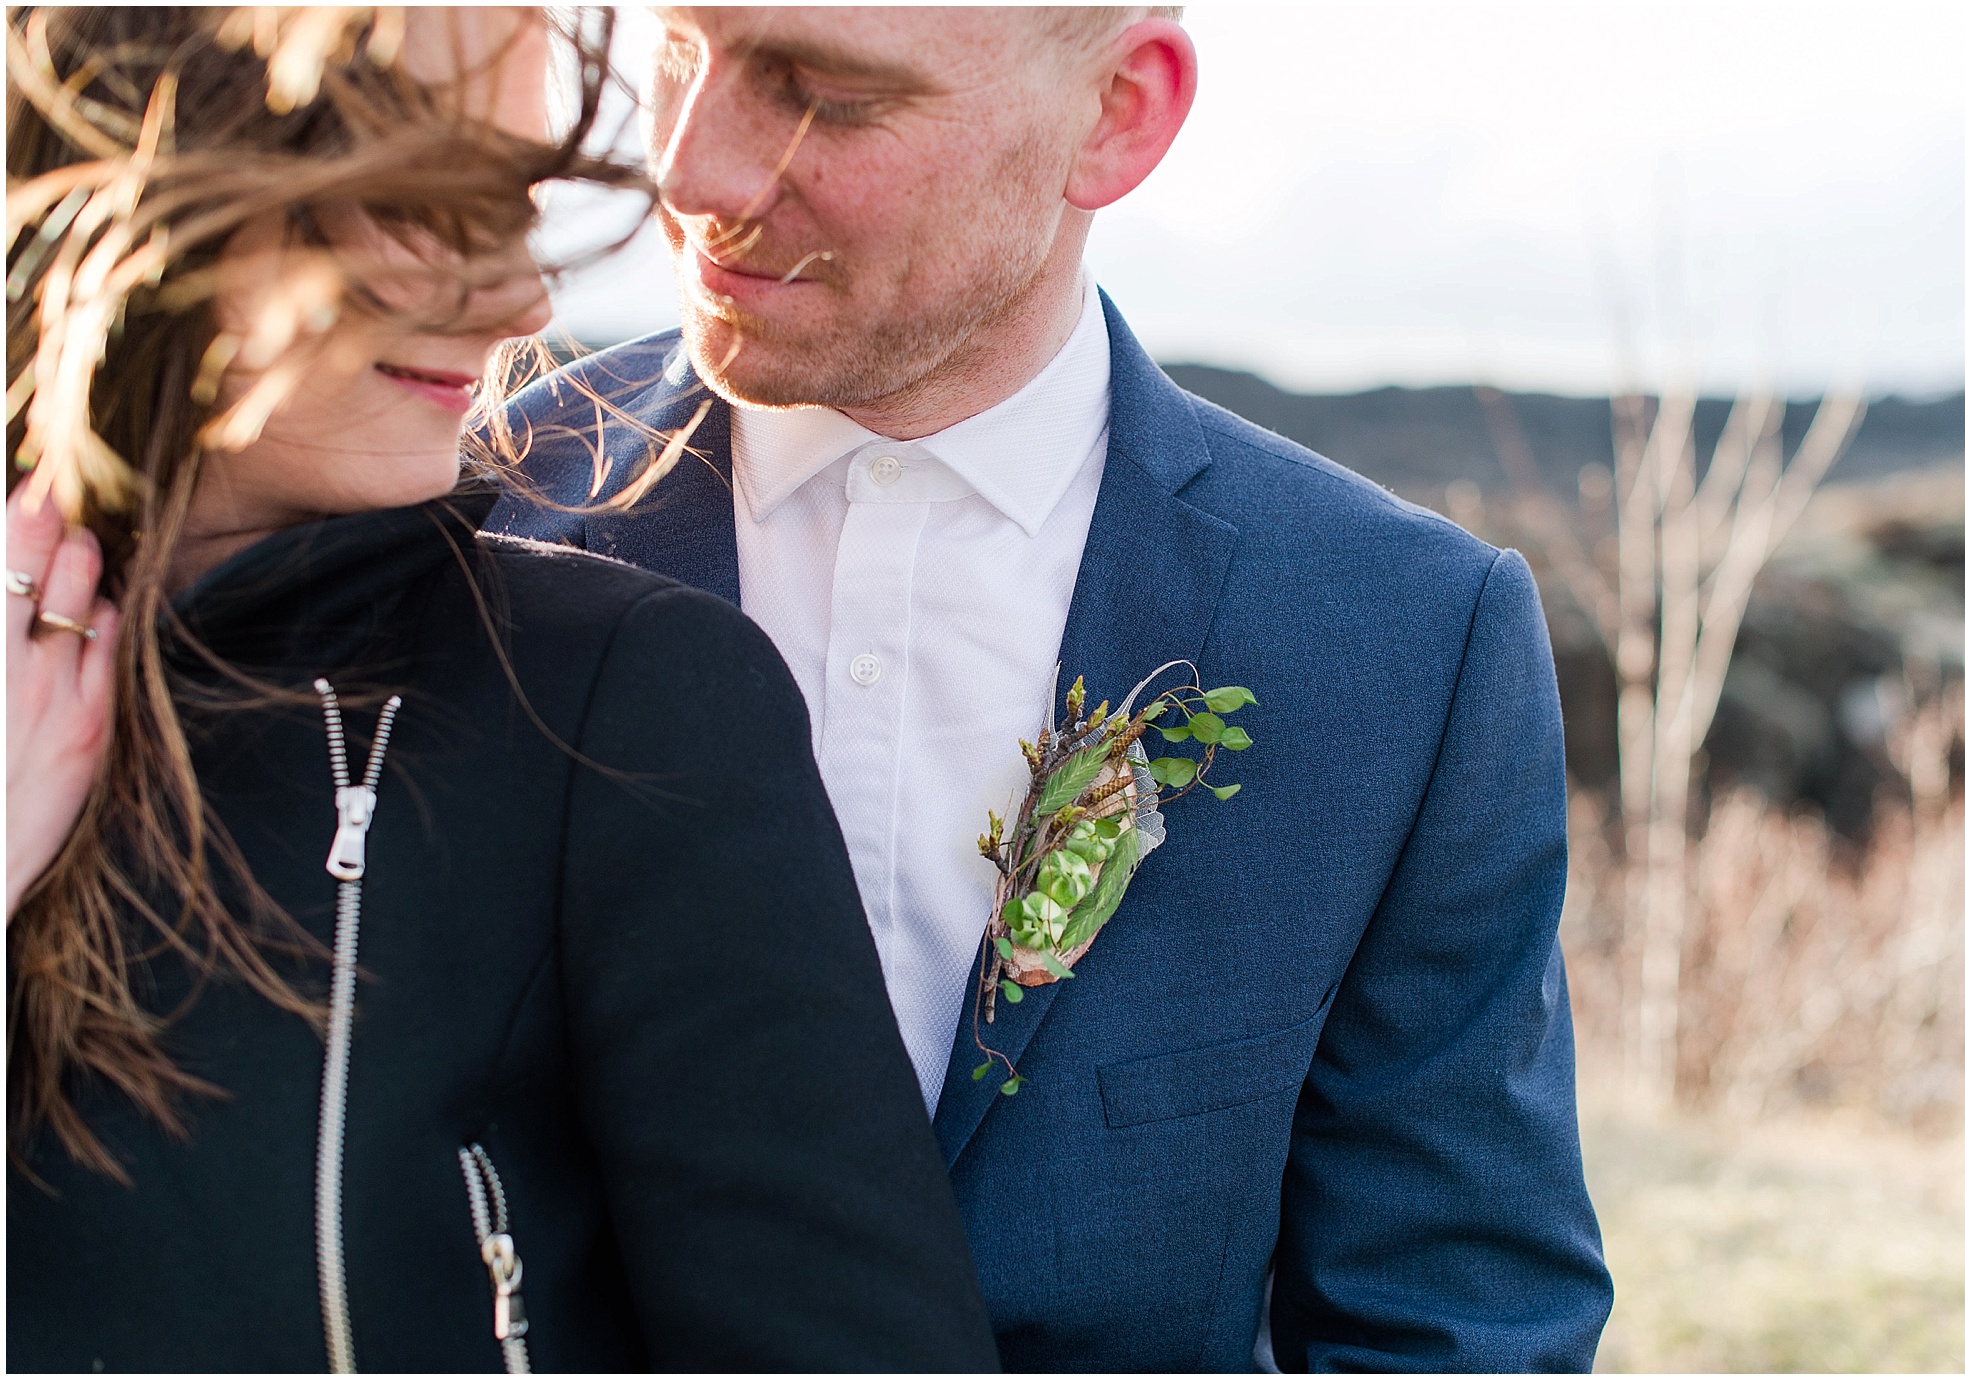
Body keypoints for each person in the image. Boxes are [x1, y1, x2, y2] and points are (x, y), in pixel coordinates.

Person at [491, 6, 1614, 1372]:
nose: (692, 171)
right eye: (675, 51)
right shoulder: (453, 525)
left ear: (1118, 112)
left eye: (822, 95)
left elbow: (1454, 1318)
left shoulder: (1403, 641)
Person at [5, 7, 997, 1372]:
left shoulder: (623, 705)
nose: (521, 298)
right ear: (135, 164)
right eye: (423, 195)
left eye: (517, 199)